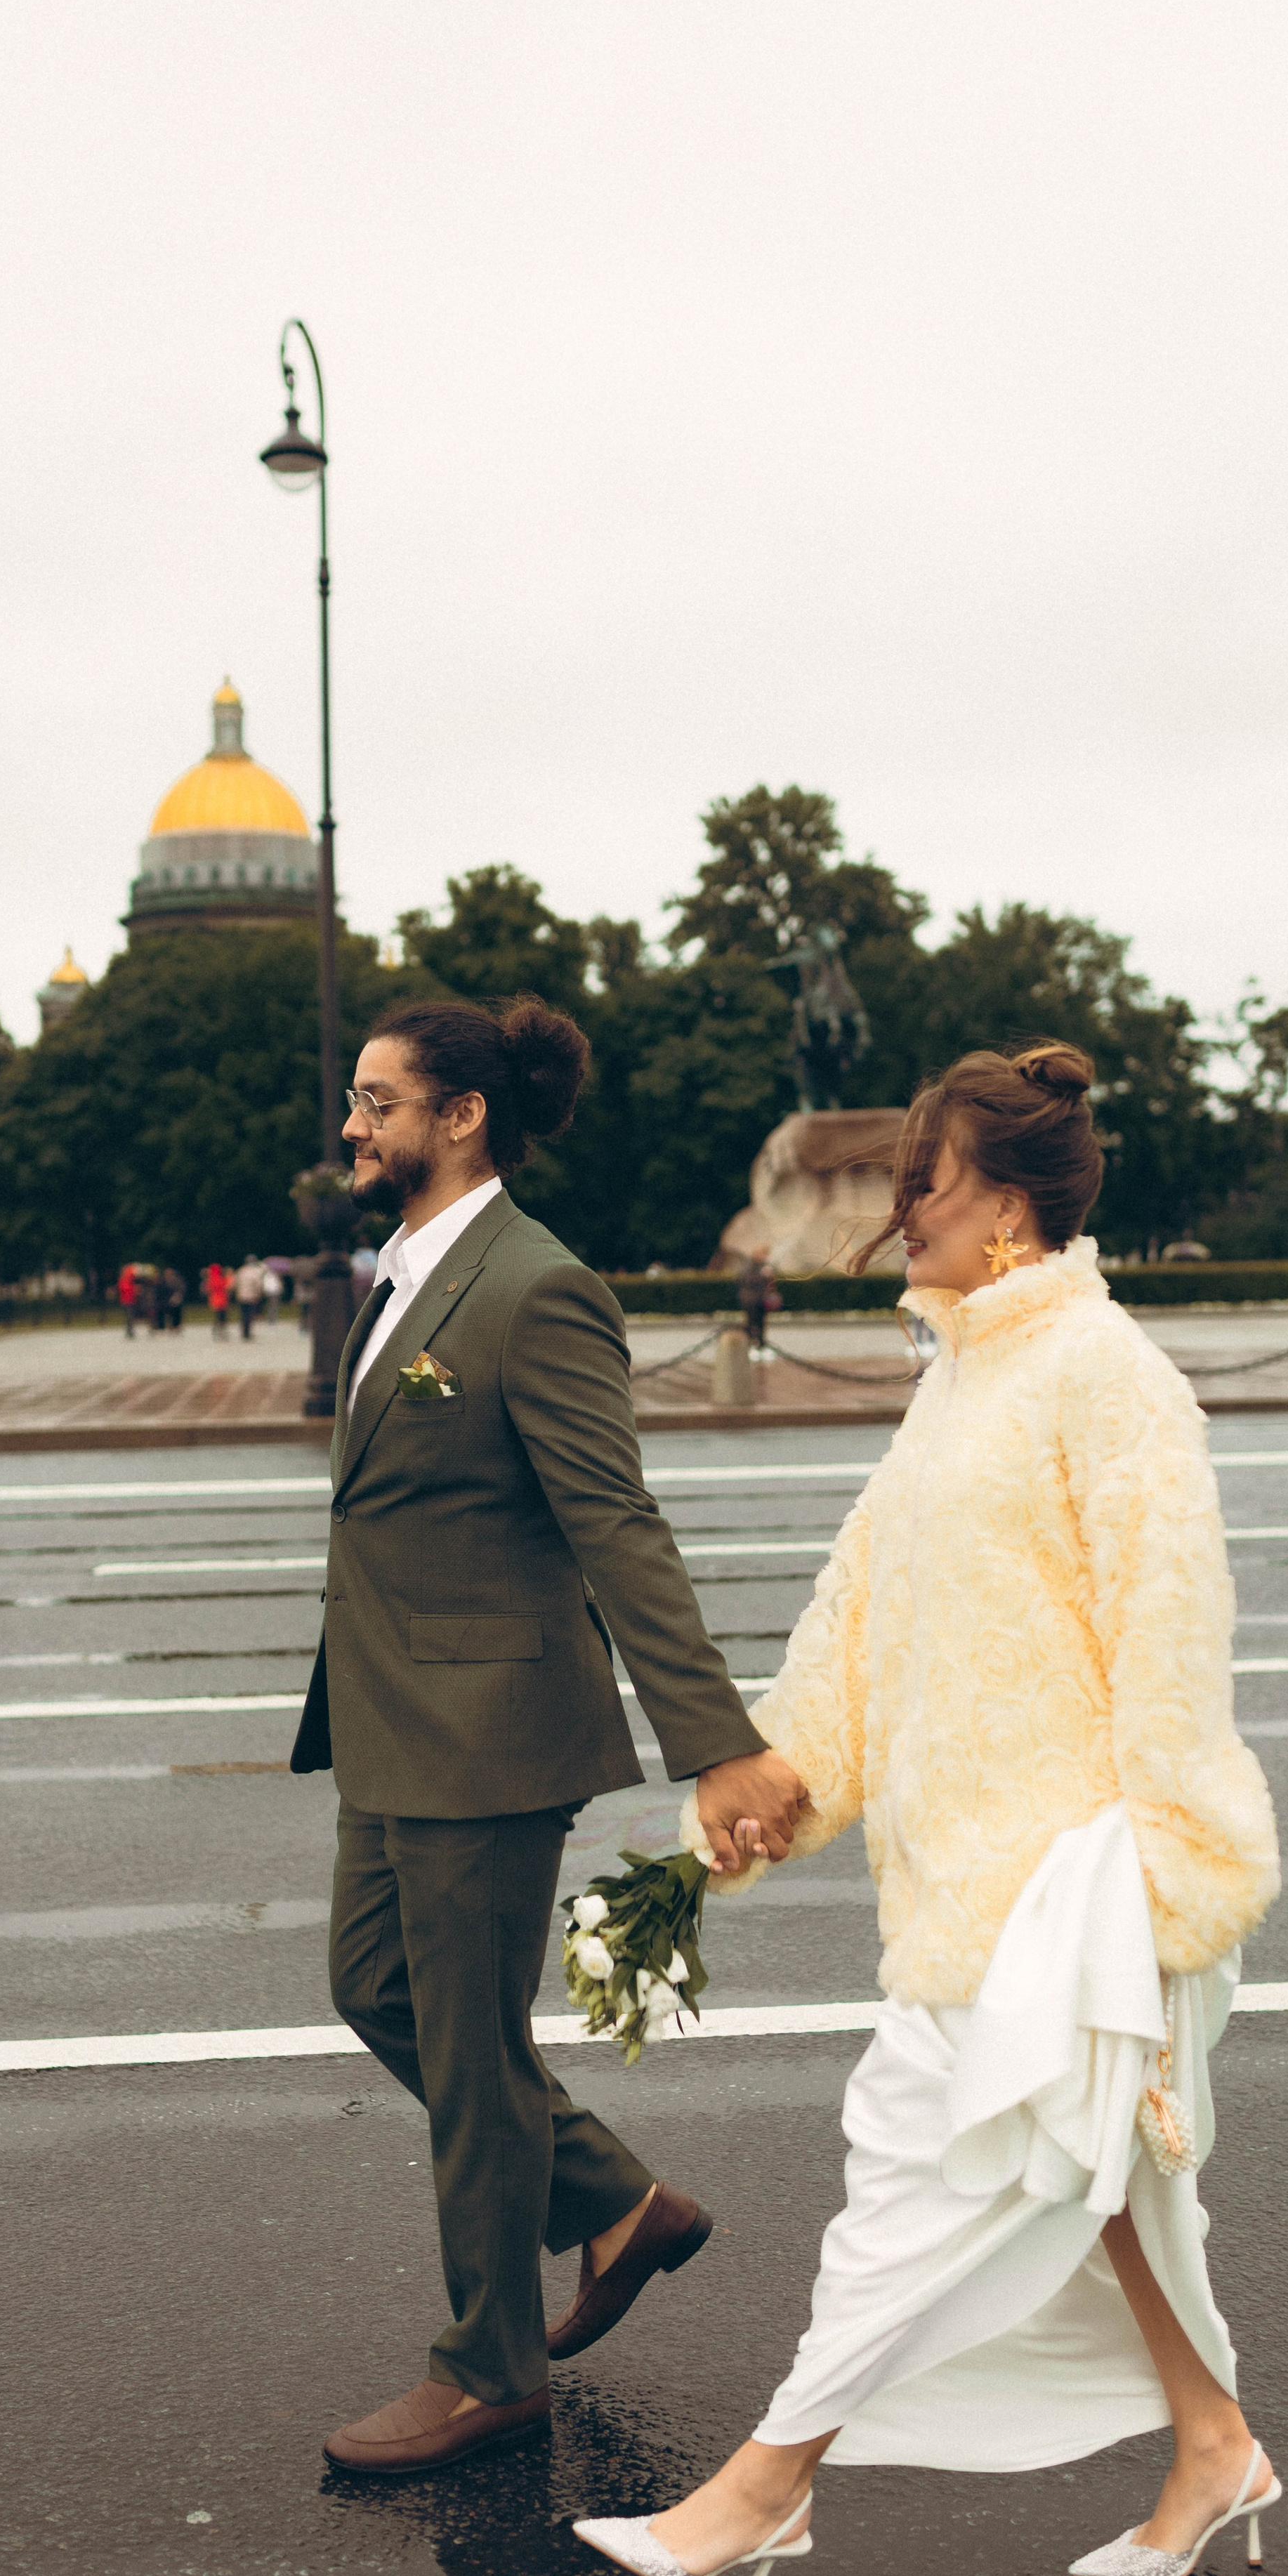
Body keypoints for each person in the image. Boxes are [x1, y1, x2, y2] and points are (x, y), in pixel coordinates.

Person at [575, 1042, 1283, 2576]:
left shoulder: (1105, 1375)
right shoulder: (964, 1368)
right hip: (961, 1876)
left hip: (1069, 1892)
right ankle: (1213, 2446)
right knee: (1095, 2192)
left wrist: (1167, 1880)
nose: (899, 1208)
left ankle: (759, 2491)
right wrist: (758, 1802)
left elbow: (1170, 1636)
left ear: (1013, 1203)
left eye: (928, 1179)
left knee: (915, 2183)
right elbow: (861, 1619)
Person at [292, 994, 808, 2477]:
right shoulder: (405, 1274)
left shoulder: (536, 1287)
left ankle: (488, 2368)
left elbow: (614, 1525)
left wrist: (715, 1742)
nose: (352, 1125)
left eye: (377, 1101)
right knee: (371, 1988)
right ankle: (617, 2200)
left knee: (464, 2051)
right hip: (394, 1720)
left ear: (458, 1118)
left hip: (485, 1731)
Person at [738, 1248, 776, 1359]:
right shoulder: (749, 1266)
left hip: (761, 1300)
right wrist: (762, 1276)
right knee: (751, 1322)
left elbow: (770, 1283)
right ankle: (750, 1346)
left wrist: (769, 1275)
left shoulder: (765, 1266)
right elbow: (745, 1280)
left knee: (762, 1323)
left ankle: (761, 1346)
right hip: (750, 1299)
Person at [235, 1254, 266, 1339]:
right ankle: (247, 1333)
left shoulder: (241, 1271)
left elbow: (236, 1283)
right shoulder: (255, 1272)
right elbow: (258, 1284)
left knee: (243, 1314)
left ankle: (244, 1332)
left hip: (241, 1296)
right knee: (249, 1315)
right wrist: (259, 1294)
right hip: (252, 1296)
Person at [204, 1261, 231, 1340]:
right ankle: (220, 1331)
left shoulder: (211, 1279)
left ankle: (218, 1330)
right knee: (221, 1317)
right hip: (221, 1300)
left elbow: (208, 1289)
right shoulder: (219, 1279)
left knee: (219, 1316)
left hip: (215, 1300)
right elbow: (227, 1286)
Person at [117, 1263, 140, 1339]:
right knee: (129, 1316)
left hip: (132, 1300)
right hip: (127, 1301)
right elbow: (124, 1289)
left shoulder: (130, 1280)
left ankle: (130, 1330)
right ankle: (129, 1331)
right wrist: (134, 1289)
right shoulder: (124, 1280)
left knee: (131, 1317)